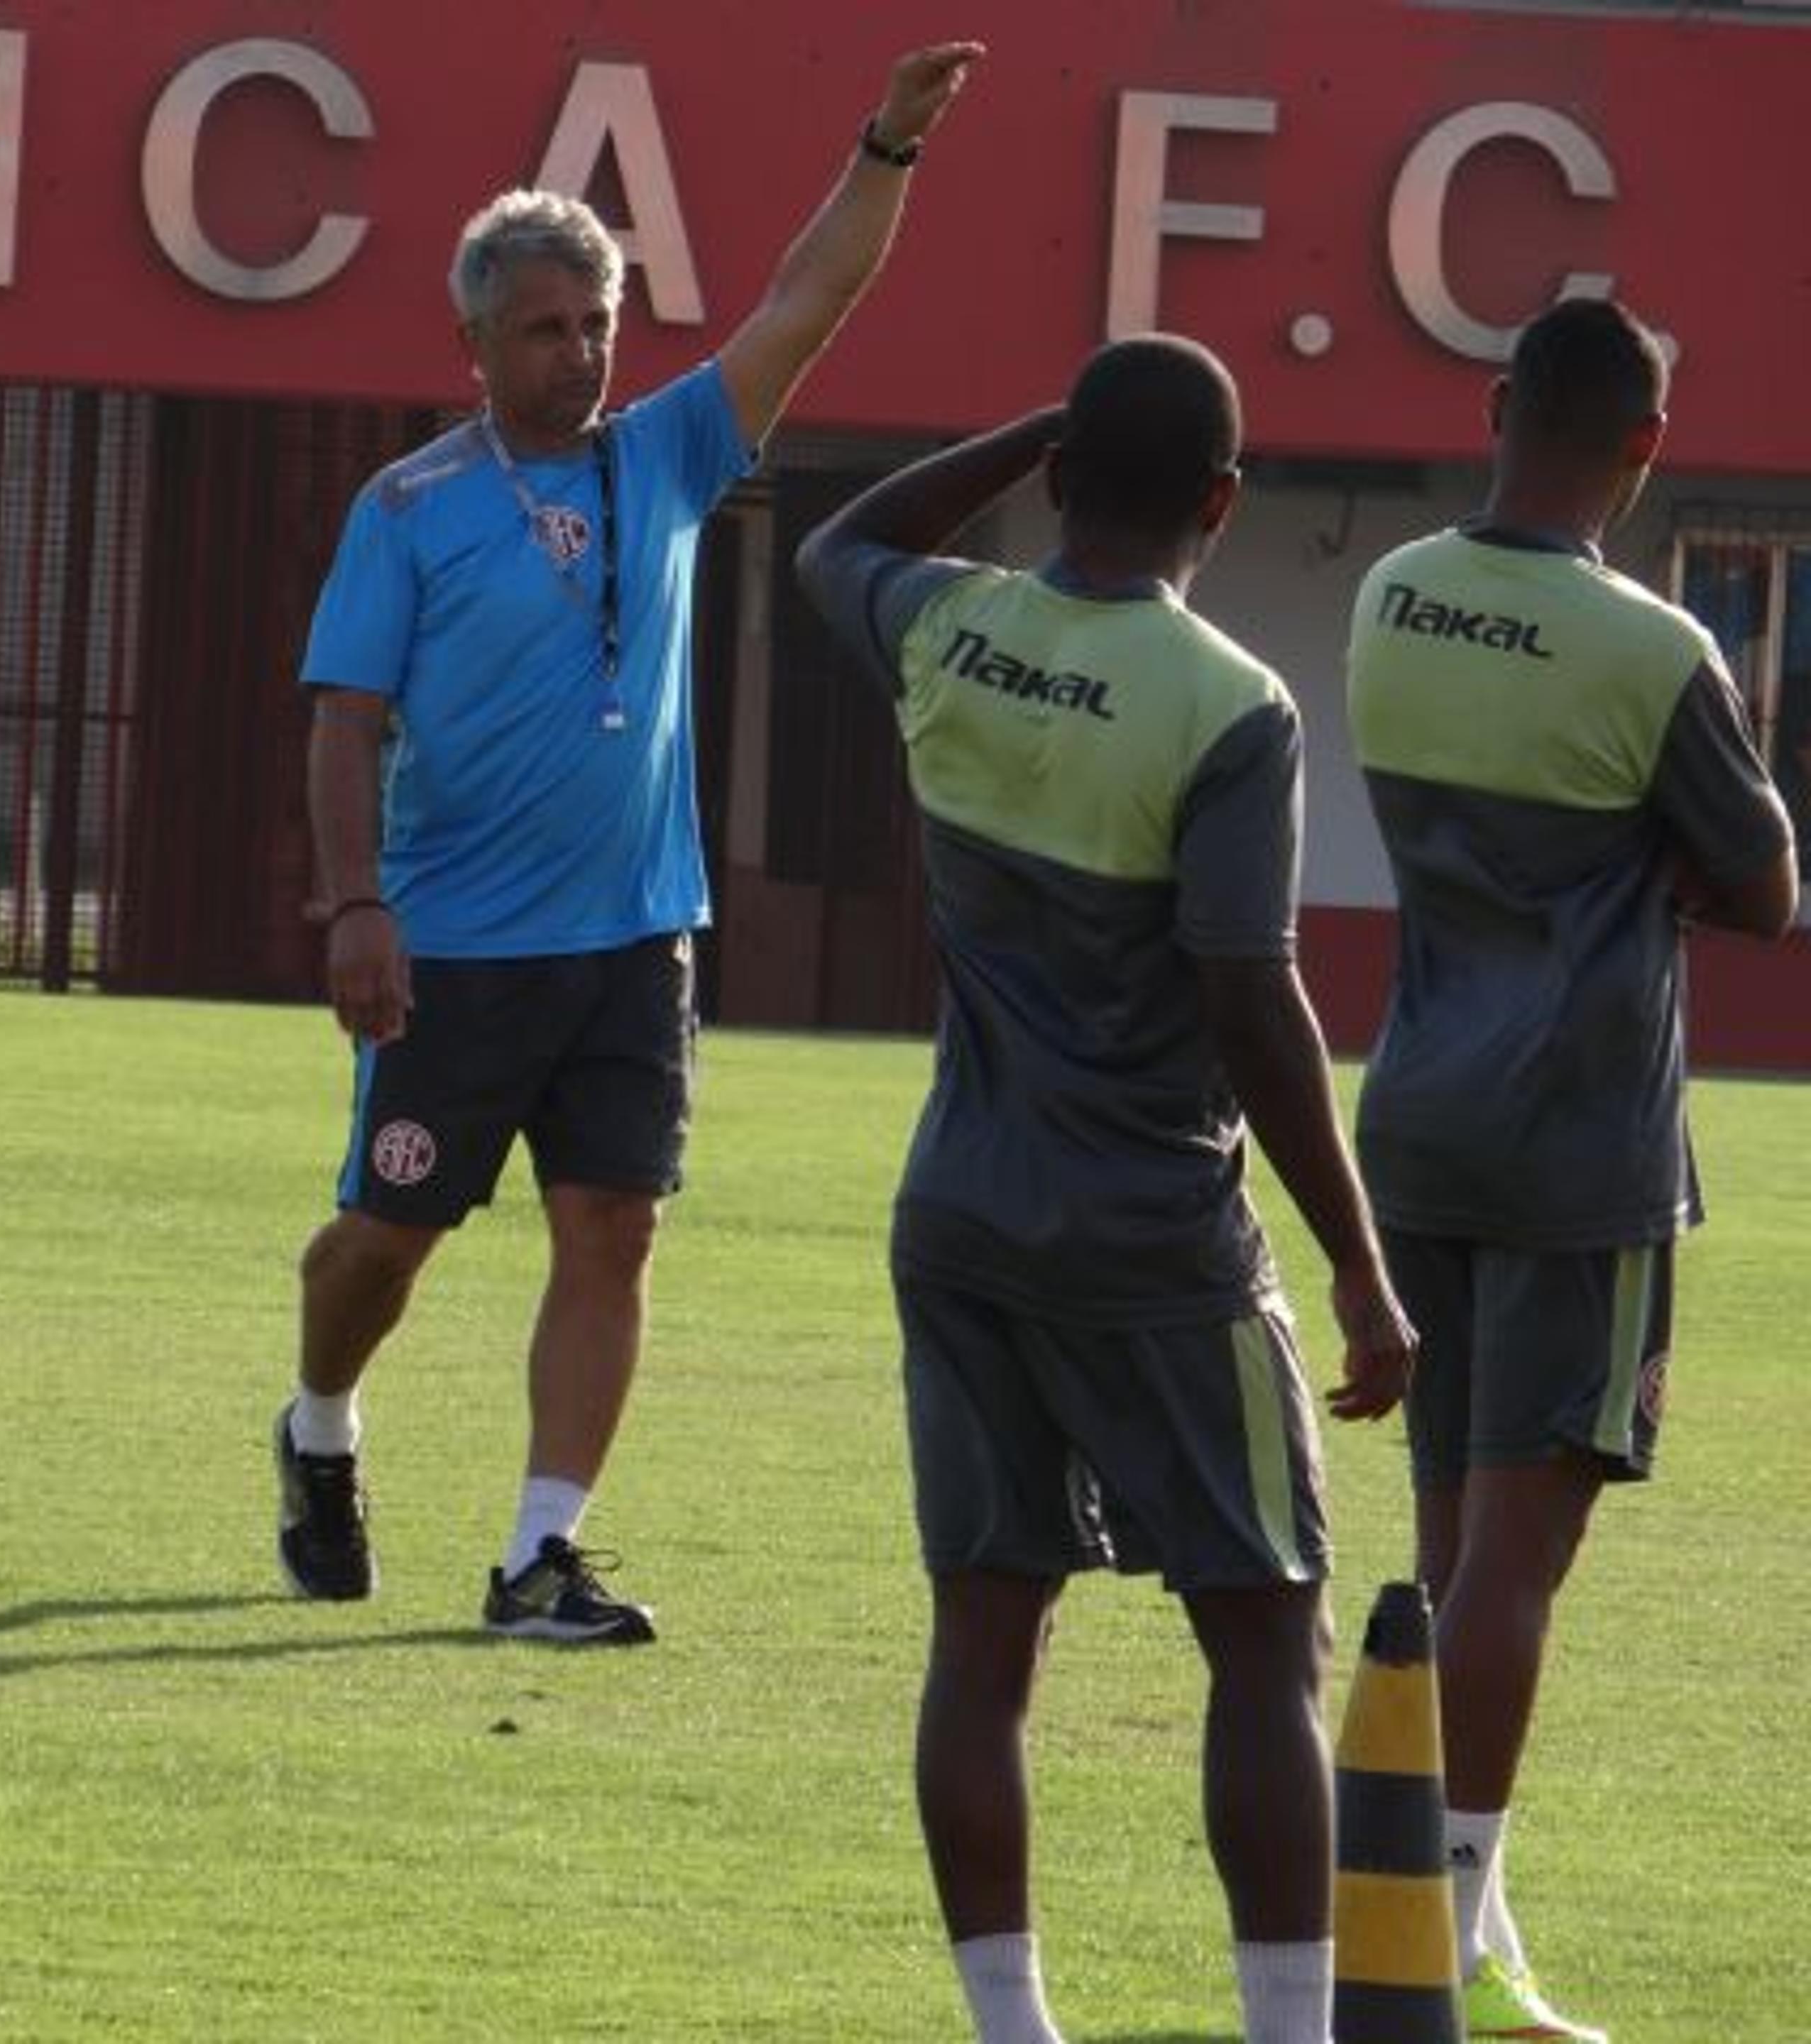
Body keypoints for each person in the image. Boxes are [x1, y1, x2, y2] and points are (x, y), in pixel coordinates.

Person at [273, 42, 989, 1645]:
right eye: (543, 328)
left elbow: (806, 301)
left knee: (615, 1224)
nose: (578, 353)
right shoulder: (406, 507)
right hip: (452, 945)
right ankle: (318, 1420)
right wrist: (356, 903)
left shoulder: (665, 452)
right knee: (381, 1244)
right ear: (473, 341)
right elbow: (341, 718)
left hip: (632, 940)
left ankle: (540, 1552)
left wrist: (884, 145)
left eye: (596, 323)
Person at [794, 336, 1418, 2044]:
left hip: (962, 1217)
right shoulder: (1231, 704)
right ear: (1222, 501)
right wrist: (1359, 1269)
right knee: (1261, 1637)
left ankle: (1012, 2028)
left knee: (983, 1644)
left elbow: (829, 540)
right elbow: (1246, 991)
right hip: (1156, 1236)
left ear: (1057, 474)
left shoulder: (946, 628)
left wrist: (1018, 420)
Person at [1344, 296, 1798, 2042]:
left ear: (1491, 406)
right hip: (1580, 1140)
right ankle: (1431, 1929)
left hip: (1418, 1114)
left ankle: (1446, 1908)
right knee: (1514, 1570)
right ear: (1645, 450)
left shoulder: (1388, 594)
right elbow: (1758, 885)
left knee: (1454, 1544)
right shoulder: (1651, 647)